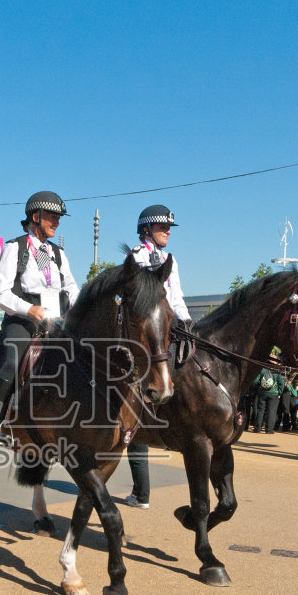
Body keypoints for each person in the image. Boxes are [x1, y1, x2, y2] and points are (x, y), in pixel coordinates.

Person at [0, 190, 81, 449]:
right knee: (14, 360)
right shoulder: (15, 248)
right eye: (52, 217)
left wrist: (78, 307)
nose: (57, 222)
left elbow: (71, 286)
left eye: (59, 218)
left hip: (56, 320)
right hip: (23, 320)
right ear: (35, 217)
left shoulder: (58, 254)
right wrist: (29, 310)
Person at [120, 204, 187, 506]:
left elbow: (177, 297)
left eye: (169, 227)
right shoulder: (136, 257)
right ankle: (141, 491)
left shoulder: (171, 260)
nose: (168, 232)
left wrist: (186, 322)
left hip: (169, 325)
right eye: (162, 227)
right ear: (146, 229)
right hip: (147, 334)